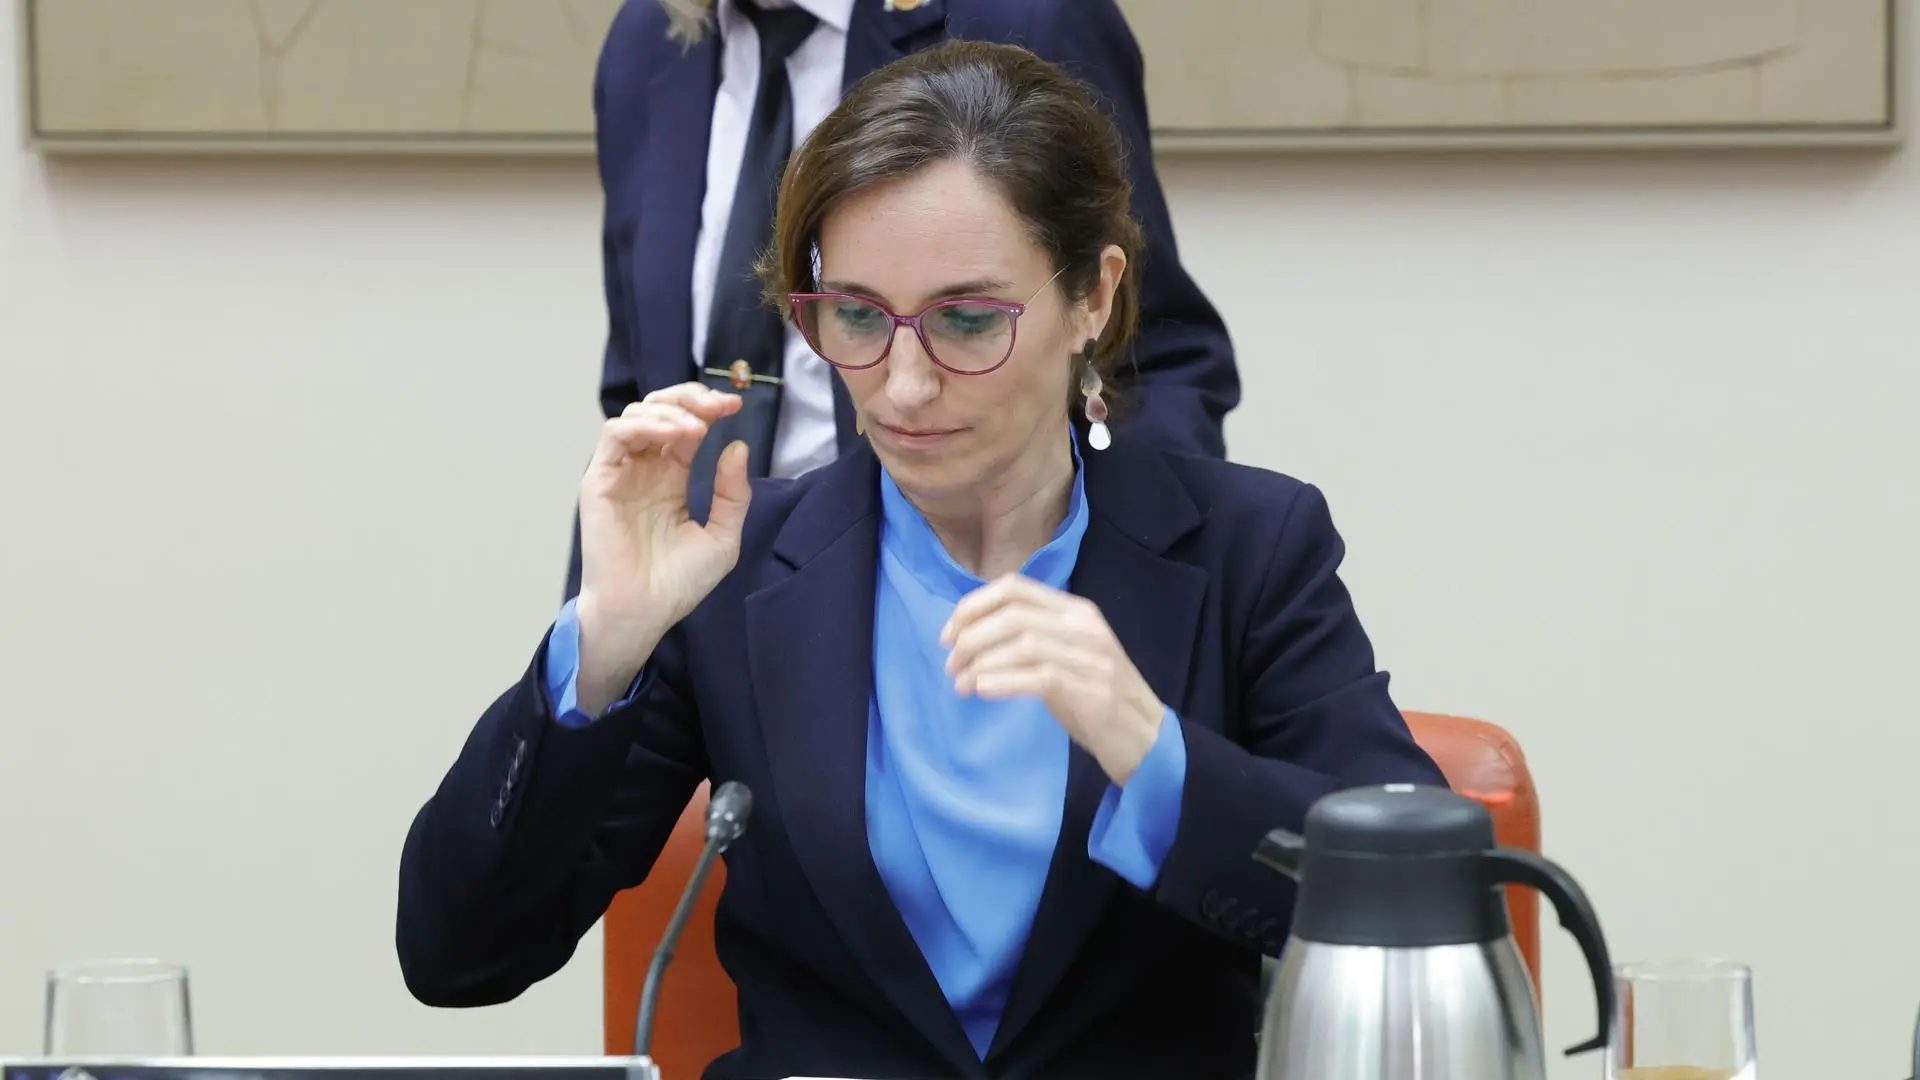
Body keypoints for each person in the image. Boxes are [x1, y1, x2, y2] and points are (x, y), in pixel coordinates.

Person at [400, 42, 1443, 1080]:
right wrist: (604, 643)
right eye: (856, 315)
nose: (901, 387)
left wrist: (1151, 752)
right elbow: (459, 955)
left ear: (1093, 297)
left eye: (966, 320)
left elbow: (1427, 910)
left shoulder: (1248, 546)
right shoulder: (736, 570)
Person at [564, 0, 1240, 597]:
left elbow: (1155, 351)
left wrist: (1127, 598)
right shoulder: (646, 40)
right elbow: (640, 382)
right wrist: (598, 638)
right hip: (698, 621)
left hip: (953, 604)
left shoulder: (1027, 15)